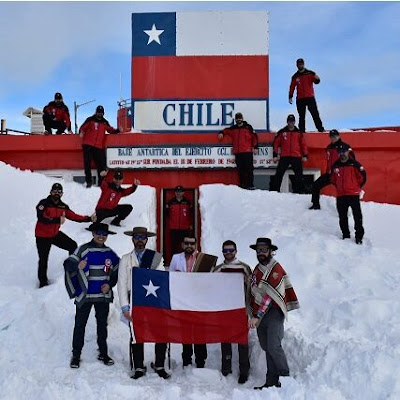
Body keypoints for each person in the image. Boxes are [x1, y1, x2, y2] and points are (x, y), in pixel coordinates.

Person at [64, 222, 119, 369]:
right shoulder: (83, 250)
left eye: (104, 234)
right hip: (85, 295)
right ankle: (76, 355)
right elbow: (67, 264)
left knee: (102, 325)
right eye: (98, 233)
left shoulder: (110, 253)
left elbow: (117, 272)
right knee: (79, 325)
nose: (101, 236)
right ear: (93, 233)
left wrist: (110, 285)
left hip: (102, 296)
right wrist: (77, 265)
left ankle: (103, 353)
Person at [117, 226, 170, 379]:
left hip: (154, 301)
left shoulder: (156, 258)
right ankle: (139, 367)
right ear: (132, 239)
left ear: (146, 240)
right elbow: (122, 283)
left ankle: (159, 365)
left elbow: (161, 279)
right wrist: (125, 307)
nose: (139, 240)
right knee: (136, 333)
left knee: (160, 332)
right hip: (134, 301)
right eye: (137, 237)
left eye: (142, 238)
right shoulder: (125, 259)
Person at [247, 238, 300, 390]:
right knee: (266, 346)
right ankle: (271, 381)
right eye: (258, 250)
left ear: (271, 251)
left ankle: (286, 380)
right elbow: (254, 291)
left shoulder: (276, 269)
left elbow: (269, 297)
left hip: (274, 312)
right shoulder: (257, 269)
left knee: (274, 346)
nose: (261, 253)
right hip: (260, 313)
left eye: (264, 249)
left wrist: (257, 316)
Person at [35, 183, 95, 288]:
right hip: (42, 236)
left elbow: (74, 216)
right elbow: (41, 218)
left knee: (72, 245)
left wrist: (89, 218)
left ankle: (71, 268)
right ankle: (43, 283)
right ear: (50, 192)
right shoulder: (43, 203)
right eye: (54, 191)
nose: (56, 193)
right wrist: (57, 220)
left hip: (54, 234)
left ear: (62, 194)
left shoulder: (62, 206)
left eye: (59, 192)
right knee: (43, 259)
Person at [212, 240, 252, 384]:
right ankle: (226, 367)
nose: (228, 253)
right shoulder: (218, 269)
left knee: (242, 340)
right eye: (225, 250)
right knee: (225, 339)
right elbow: (211, 286)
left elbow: (251, 288)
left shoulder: (244, 268)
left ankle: (244, 370)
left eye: (231, 250)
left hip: (240, 309)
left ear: (236, 251)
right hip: (224, 309)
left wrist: (249, 309)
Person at [169, 234, 207, 368]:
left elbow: (209, 280)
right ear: (182, 245)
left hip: (199, 302)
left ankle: (200, 361)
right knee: (185, 331)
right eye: (186, 243)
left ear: (196, 245)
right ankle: (186, 360)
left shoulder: (203, 259)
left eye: (192, 243)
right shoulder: (176, 258)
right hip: (182, 301)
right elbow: (171, 277)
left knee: (199, 331)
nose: (189, 246)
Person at [309, 129, 355, 210]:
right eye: (331, 137)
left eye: (335, 136)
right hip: (330, 174)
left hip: (340, 175)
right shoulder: (329, 147)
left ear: (338, 136)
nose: (333, 138)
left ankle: (345, 210)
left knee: (342, 192)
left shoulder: (345, 146)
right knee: (316, 185)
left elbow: (352, 160)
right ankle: (315, 205)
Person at [330, 146, 367, 244]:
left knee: (357, 216)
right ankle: (345, 235)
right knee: (342, 217)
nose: (342, 154)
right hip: (341, 195)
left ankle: (359, 236)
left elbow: (362, 177)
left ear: (348, 152)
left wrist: (355, 187)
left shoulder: (354, 164)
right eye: (340, 152)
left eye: (344, 151)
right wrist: (339, 187)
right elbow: (333, 179)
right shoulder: (335, 166)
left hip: (353, 194)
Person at [79, 105, 120, 188]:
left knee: (101, 165)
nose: (99, 114)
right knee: (87, 164)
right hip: (88, 144)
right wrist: (81, 132)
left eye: (101, 113)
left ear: (103, 113)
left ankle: (100, 183)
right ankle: (88, 182)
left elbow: (110, 130)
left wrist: (118, 130)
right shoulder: (90, 119)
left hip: (98, 146)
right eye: (98, 112)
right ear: (96, 112)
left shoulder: (104, 122)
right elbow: (83, 127)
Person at [218, 112, 258, 189]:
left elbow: (254, 137)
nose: (238, 119)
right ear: (235, 119)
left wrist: (255, 147)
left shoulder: (248, 127)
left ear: (242, 118)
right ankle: (243, 185)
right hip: (238, 153)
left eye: (240, 118)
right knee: (240, 170)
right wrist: (221, 133)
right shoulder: (233, 129)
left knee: (249, 169)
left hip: (247, 152)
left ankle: (250, 185)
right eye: (237, 118)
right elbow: (226, 130)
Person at [271, 114, 308, 193]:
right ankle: (275, 190)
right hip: (285, 156)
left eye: (292, 121)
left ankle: (300, 191)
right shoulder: (282, 132)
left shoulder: (298, 132)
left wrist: (305, 155)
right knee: (279, 174)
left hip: (296, 156)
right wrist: (275, 155)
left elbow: (303, 144)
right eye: (289, 121)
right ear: (287, 122)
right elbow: (276, 143)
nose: (291, 123)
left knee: (299, 175)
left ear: (294, 122)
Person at [289, 58, 324, 133]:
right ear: (297, 65)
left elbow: (316, 81)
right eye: (299, 64)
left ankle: (320, 129)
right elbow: (292, 86)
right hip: (300, 98)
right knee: (301, 116)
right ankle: (302, 131)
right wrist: (290, 96)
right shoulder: (295, 76)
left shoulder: (310, 73)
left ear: (303, 64)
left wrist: (317, 79)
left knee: (315, 113)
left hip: (310, 97)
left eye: (301, 64)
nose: (300, 65)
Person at [166, 186, 193, 255]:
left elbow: (191, 215)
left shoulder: (187, 202)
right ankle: (174, 260)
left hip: (185, 229)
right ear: (175, 193)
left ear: (183, 193)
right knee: (174, 247)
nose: (178, 193)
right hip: (173, 229)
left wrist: (190, 224)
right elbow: (166, 215)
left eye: (180, 192)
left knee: (185, 247)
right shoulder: (171, 202)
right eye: (177, 192)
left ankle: (185, 260)